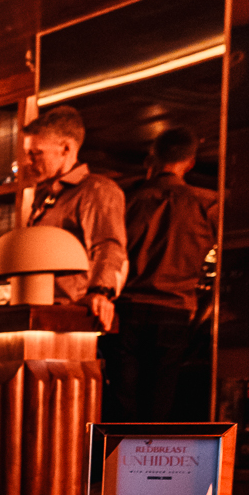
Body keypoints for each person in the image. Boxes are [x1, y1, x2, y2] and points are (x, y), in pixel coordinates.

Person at [106, 126, 217, 422]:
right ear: (190, 163)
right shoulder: (208, 204)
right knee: (159, 405)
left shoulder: (126, 201)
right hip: (175, 310)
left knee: (122, 406)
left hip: (125, 311)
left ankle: (119, 452)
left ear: (152, 158)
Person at [20, 105, 128, 329]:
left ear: (66, 148)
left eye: (36, 153)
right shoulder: (44, 195)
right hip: (41, 312)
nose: (28, 161)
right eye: (27, 154)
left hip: (72, 315)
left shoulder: (95, 190)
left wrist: (100, 293)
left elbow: (108, 246)